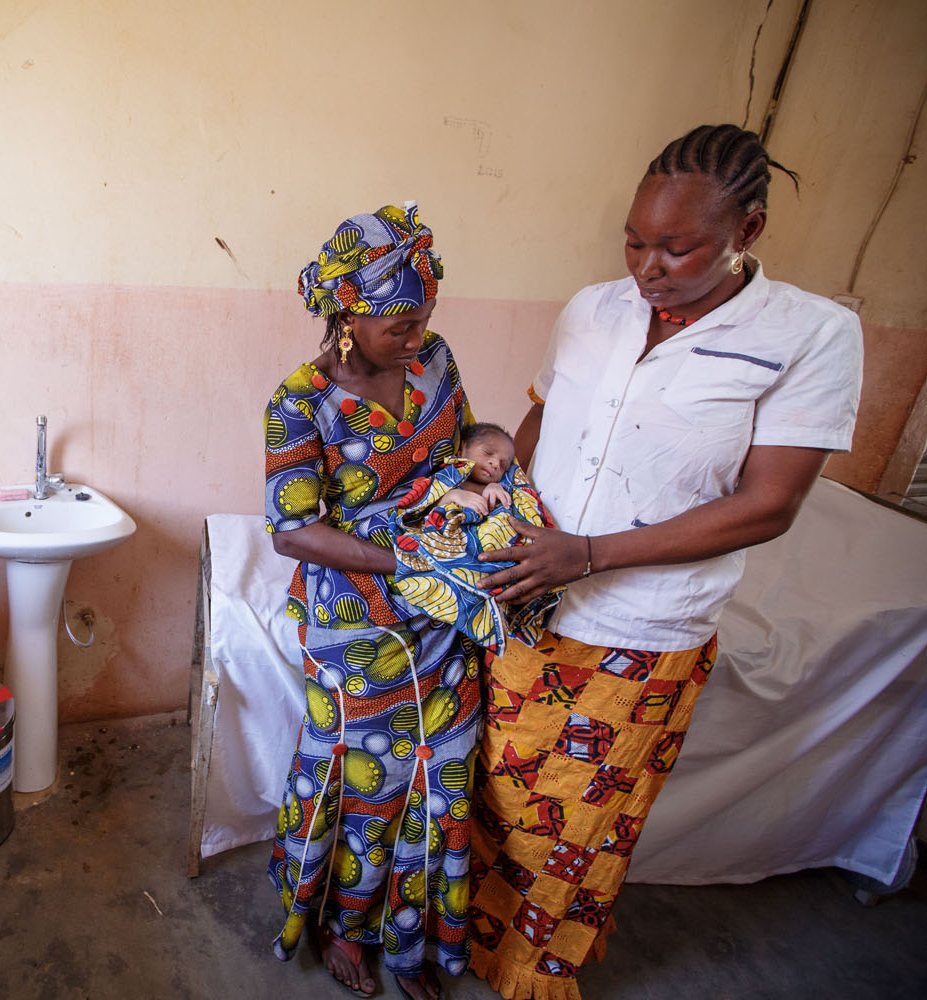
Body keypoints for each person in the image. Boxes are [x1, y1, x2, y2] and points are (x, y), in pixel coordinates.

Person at [465, 124, 863, 1000]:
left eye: (678, 248)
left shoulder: (811, 336)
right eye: (636, 242)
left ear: (747, 232)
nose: (649, 266)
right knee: (496, 788)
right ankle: (468, 935)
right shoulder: (592, 308)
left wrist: (592, 554)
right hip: (526, 595)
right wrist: (504, 502)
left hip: (643, 631)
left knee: (579, 821)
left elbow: (768, 504)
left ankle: (535, 968)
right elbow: (544, 419)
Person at [264, 202, 474, 1000]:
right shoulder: (300, 401)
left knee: (439, 779)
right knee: (368, 782)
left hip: (445, 611)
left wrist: (493, 474)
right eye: (399, 325)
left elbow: (466, 444)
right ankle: (346, 929)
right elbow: (292, 531)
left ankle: (412, 939)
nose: (416, 337)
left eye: (424, 319)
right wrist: (403, 562)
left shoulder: (436, 363)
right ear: (347, 318)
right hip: (355, 622)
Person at [391, 421, 563, 658]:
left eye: (503, 464)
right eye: (488, 453)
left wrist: (496, 492)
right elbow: (413, 514)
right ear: (462, 450)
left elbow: (512, 515)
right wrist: (453, 496)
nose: (495, 463)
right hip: (444, 551)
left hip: (484, 559)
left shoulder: (499, 487)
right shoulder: (446, 480)